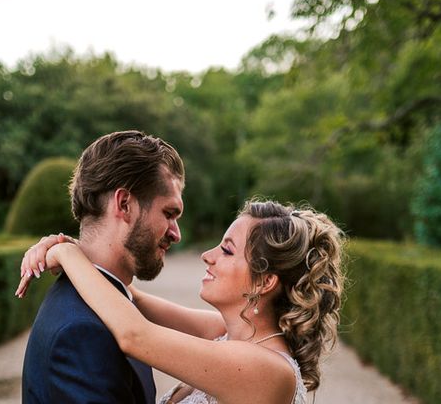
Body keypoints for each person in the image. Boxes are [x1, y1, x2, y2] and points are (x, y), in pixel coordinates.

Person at [17, 200, 345, 404]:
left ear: (264, 281)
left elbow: (135, 335)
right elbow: (130, 297)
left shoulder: (266, 370)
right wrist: (79, 253)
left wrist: (65, 253)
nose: (207, 255)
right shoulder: (232, 332)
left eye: (227, 250)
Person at [20, 130, 185, 404]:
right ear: (124, 204)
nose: (176, 233)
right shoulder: (81, 333)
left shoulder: (107, 300)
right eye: (169, 213)